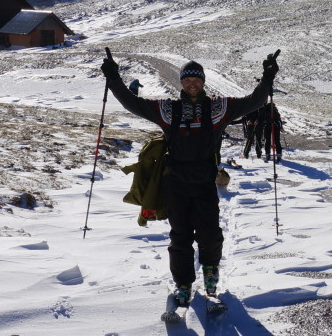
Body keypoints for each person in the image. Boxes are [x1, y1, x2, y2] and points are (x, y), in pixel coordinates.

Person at [102, 51, 279, 308]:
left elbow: (255, 101)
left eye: (196, 79)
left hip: (205, 182)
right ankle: (183, 284)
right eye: (187, 80)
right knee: (180, 237)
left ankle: (210, 274)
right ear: (182, 83)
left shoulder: (220, 108)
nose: (192, 84)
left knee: (210, 234)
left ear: (203, 82)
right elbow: (132, 103)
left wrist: (267, 78)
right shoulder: (168, 109)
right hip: (175, 183)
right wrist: (113, 78)